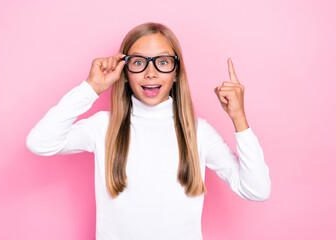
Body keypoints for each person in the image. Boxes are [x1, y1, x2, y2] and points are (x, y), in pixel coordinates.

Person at [26, 22, 271, 240]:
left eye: (163, 62)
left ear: (176, 73)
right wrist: (91, 87)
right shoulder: (103, 126)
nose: (150, 72)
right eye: (139, 62)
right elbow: (41, 142)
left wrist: (239, 118)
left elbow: (257, 190)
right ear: (124, 71)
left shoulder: (198, 132)